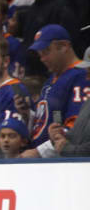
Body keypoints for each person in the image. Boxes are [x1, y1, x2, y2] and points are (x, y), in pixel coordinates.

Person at [19, 25, 90, 158]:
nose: (42, 59)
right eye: (40, 54)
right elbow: (43, 121)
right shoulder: (51, 79)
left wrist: (39, 152)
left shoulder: (82, 76)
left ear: (64, 46)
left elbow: (76, 129)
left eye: (46, 51)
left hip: (60, 161)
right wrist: (27, 114)